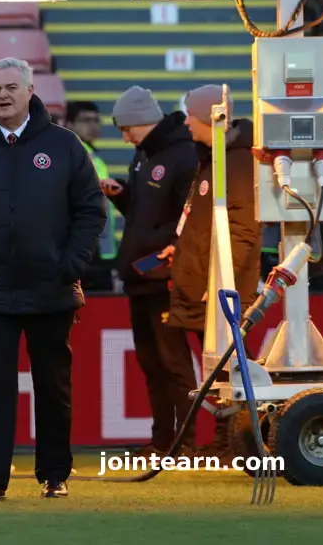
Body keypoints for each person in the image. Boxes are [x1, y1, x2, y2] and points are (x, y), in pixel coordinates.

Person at [0, 57, 106, 500]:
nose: (3, 95)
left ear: (31, 91)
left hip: (51, 288)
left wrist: (70, 264)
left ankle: (55, 475)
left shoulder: (65, 146)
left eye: (12, 87)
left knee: (53, 386)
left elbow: (91, 211)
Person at [105, 86, 200, 457]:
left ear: (140, 121)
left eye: (125, 128)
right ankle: (162, 440)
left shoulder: (182, 156)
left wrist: (168, 257)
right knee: (150, 362)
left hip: (164, 276)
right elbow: (144, 216)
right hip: (139, 276)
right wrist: (122, 196)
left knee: (173, 361)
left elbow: (186, 220)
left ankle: (187, 443)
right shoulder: (143, 157)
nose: (124, 136)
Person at [168, 85, 261, 460]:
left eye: (190, 115)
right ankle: (227, 442)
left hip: (220, 291)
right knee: (219, 367)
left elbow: (243, 229)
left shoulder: (235, 163)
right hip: (205, 284)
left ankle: (234, 444)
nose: (186, 121)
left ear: (209, 117)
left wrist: (226, 283)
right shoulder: (214, 157)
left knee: (230, 367)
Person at [65, 101, 117, 292]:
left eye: (96, 120)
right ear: (69, 124)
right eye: (85, 120)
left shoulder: (95, 158)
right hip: (85, 251)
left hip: (99, 249)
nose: (93, 125)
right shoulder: (72, 155)